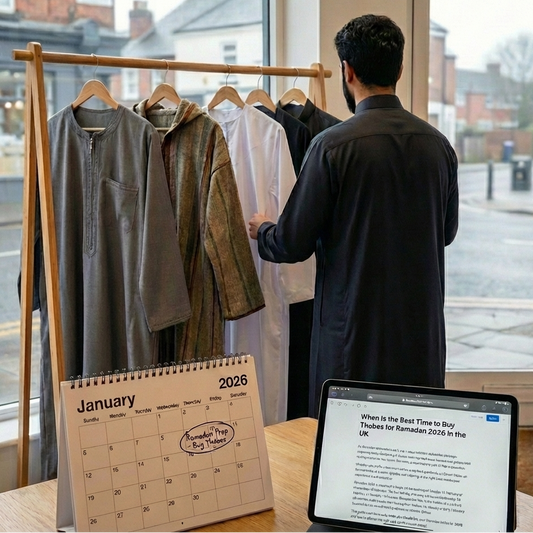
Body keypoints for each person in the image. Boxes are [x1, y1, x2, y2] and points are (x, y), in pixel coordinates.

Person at [248, 14, 459, 418]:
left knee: (347, 452)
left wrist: (264, 230)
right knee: (417, 443)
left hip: (351, 340)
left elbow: (292, 243)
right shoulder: (439, 147)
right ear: (399, 69)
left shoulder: (331, 147)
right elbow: (445, 233)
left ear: (347, 71)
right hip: (420, 339)